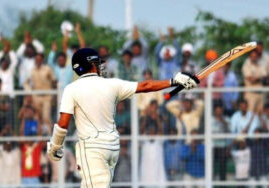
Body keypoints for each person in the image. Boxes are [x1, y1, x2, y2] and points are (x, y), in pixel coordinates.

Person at [46, 48, 199, 187]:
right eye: (97, 63)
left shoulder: (71, 89)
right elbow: (146, 86)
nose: (101, 67)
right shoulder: (112, 84)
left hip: (93, 148)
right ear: (89, 64)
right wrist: (173, 81)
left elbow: (63, 123)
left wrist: (55, 146)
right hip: (111, 147)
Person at [24, 53, 56, 133]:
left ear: (42, 60)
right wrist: (29, 92)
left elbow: (54, 81)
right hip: (36, 97)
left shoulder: (47, 69)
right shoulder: (32, 70)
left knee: (46, 117)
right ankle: (39, 139)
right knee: (38, 117)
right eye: (36, 59)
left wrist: (55, 95)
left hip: (47, 97)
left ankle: (49, 136)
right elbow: (26, 83)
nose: (38, 61)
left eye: (39, 59)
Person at [212, 104, 230, 181]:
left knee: (223, 167)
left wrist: (223, 120)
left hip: (222, 146)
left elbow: (230, 130)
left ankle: (223, 184)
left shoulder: (226, 119)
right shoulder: (210, 119)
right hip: (212, 146)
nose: (218, 113)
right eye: (217, 111)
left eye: (220, 111)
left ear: (222, 111)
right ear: (214, 111)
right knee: (210, 166)